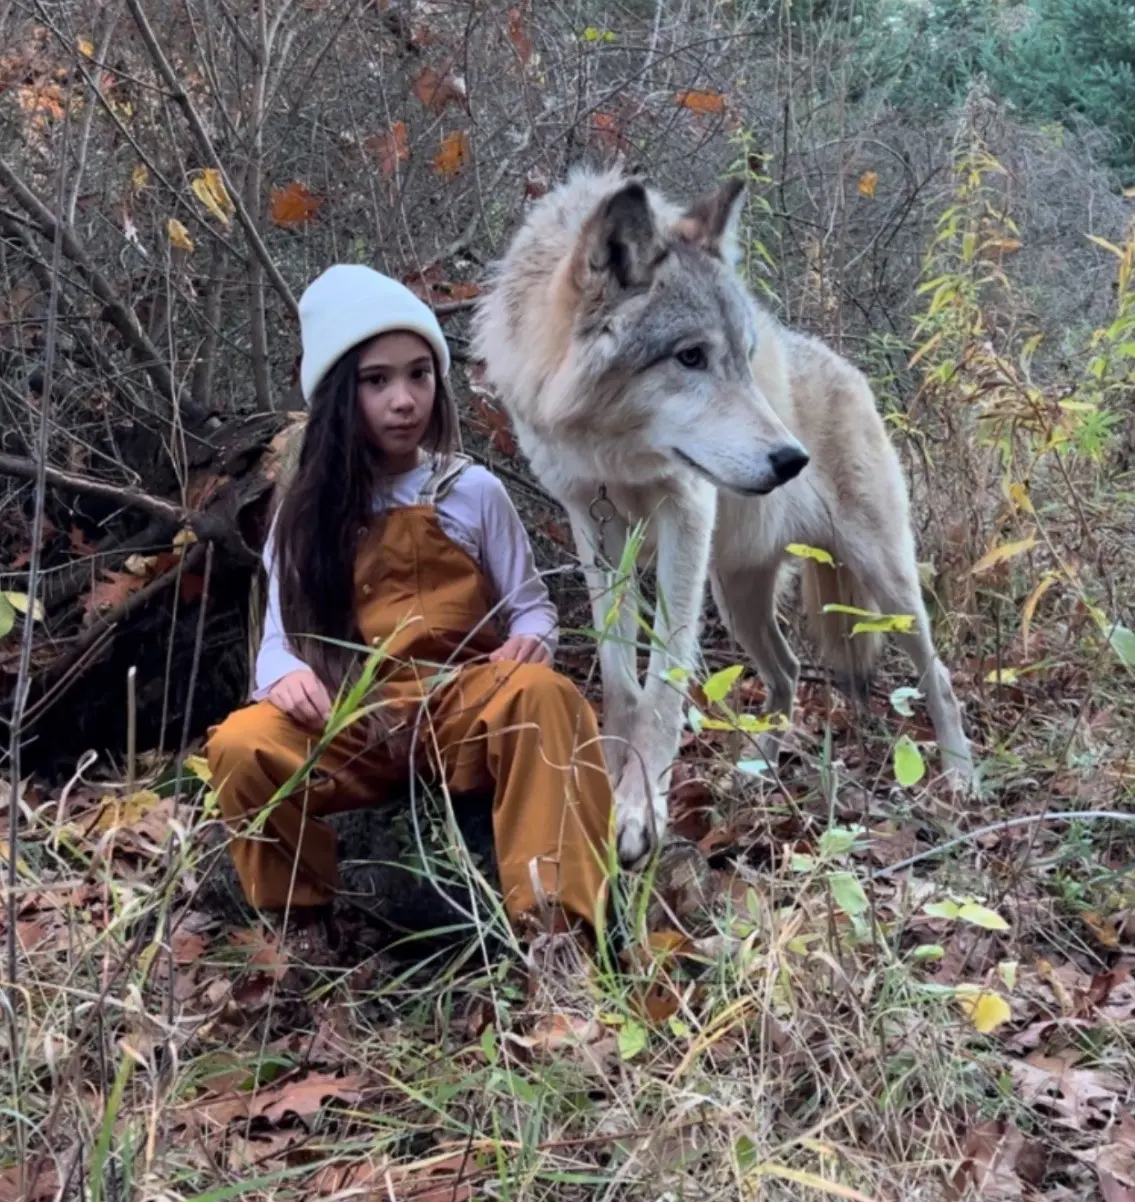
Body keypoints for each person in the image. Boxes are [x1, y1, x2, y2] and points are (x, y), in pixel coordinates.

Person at [205, 264, 615, 975]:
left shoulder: (471, 490)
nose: (404, 400)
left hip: (460, 710)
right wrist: (286, 676)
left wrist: (531, 642)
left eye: (419, 375)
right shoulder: (300, 511)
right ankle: (301, 930)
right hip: (354, 723)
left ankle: (558, 943)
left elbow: (532, 607)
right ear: (339, 395)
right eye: (377, 381)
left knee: (546, 699)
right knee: (242, 745)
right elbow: (275, 638)